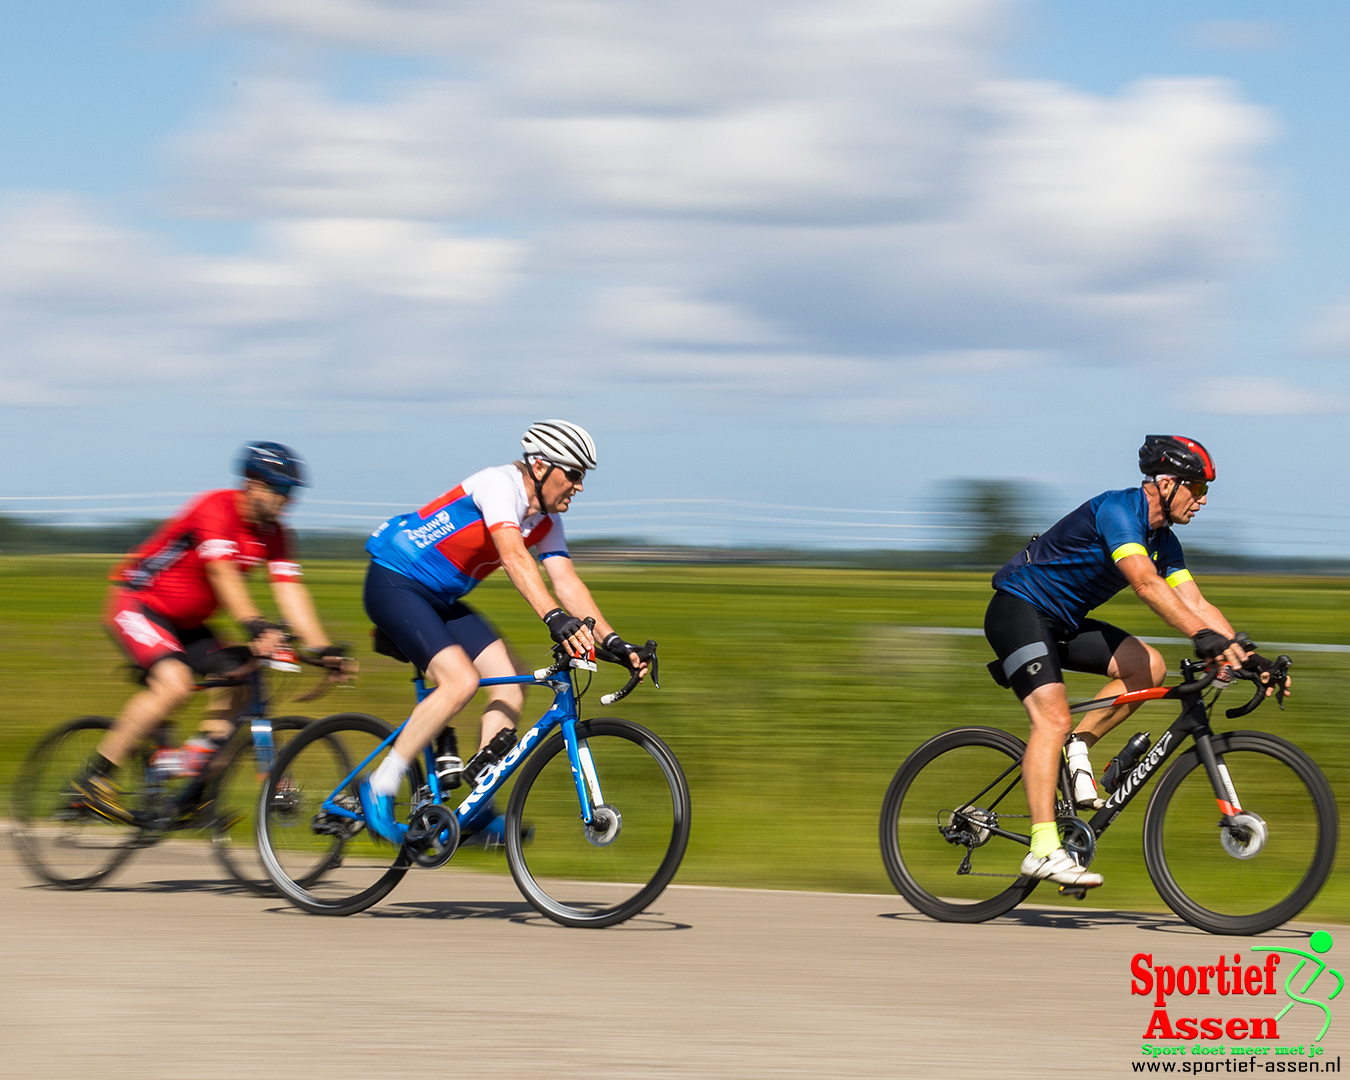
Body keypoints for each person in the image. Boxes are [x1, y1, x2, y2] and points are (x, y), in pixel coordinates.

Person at [982, 435, 1285, 889]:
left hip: (1061, 623)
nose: (1201, 502)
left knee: (1150, 667)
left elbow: (1196, 603)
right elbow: (1144, 583)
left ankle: (1076, 747)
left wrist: (1248, 656)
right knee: (1052, 719)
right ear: (1166, 483)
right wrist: (1202, 639)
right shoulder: (1119, 511)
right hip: (1018, 610)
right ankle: (1042, 849)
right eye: (1197, 490)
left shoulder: (1165, 542)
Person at [360, 419, 651, 845]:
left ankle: (474, 808)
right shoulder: (499, 485)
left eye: (582, 476)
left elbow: (566, 581)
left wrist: (611, 641)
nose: (579, 486)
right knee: (460, 681)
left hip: (439, 598)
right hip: (395, 581)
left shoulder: (547, 519)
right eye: (574, 474)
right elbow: (514, 555)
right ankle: (379, 786)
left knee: (513, 682)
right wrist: (553, 618)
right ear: (540, 466)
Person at [75, 442, 353, 823]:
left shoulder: (276, 535)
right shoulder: (215, 508)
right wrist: (257, 625)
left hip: (189, 625)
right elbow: (221, 573)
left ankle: (196, 787)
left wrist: (322, 647)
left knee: (242, 677)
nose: (287, 501)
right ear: (252, 483)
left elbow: (290, 591)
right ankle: (93, 780)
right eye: (280, 490)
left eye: (292, 493)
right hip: (139, 603)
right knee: (173, 683)